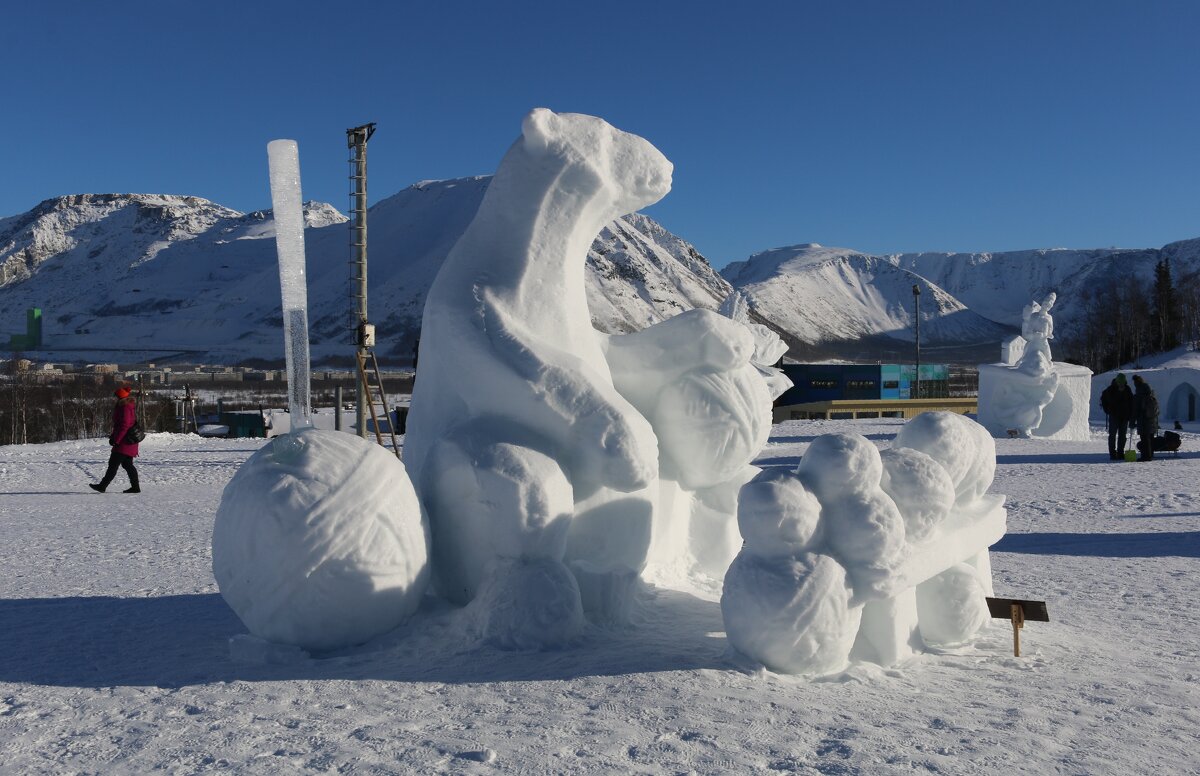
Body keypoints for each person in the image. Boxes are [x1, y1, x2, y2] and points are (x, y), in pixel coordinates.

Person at [90, 386, 141, 493]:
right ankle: (135, 487)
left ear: (120, 397)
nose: (115, 399)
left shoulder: (125, 407)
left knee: (113, 464)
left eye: (116, 397)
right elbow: (120, 425)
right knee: (127, 465)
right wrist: (113, 437)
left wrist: (116, 440)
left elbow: (124, 425)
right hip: (128, 441)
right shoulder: (127, 406)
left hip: (124, 441)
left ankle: (102, 486)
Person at [1100, 373, 1134, 460]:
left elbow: (1131, 402)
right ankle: (1112, 453)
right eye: (1120, 382)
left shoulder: (1127, 389)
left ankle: (1120, 452)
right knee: (1112, 435)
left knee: (1122, 436)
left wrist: (1130, 414)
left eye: (1122, 382)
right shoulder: (1110, 389)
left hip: (1125, 417)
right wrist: (1108, 411)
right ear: (1117, 381)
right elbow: (1105, 401)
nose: (1121, 384)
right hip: (1114, 416)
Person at [1131, 375, 1160, 462]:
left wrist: (1132, 421)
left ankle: (1146, 456)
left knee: (1144, 438)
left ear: (1136, 382)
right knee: (1150, 438)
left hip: (1143, 419)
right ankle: (1150, 454)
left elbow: (1135, 409)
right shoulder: (1150, 392)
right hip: (1152, 419)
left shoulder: (1139, 394)